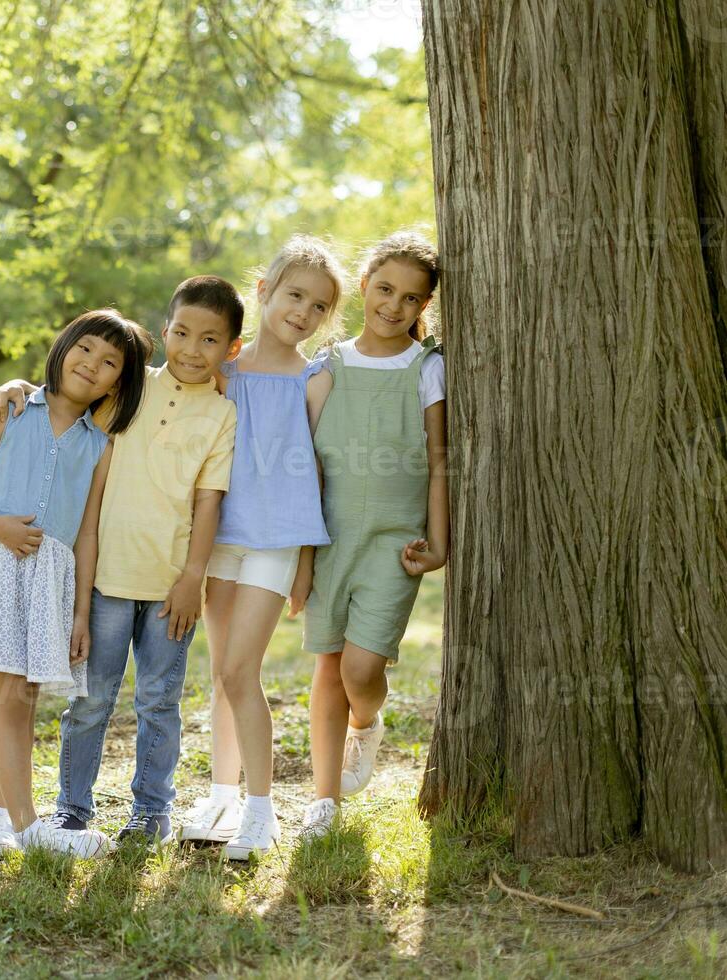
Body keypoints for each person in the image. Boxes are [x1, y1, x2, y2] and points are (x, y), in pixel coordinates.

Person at [0, 277, 240, 852]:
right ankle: (71, 810)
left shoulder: (222, 414)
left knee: (159, 700)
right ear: (166, 330)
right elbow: (61, 401)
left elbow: (208, 499)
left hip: (171, 581)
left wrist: (193, 576)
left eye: (210, 340)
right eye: (180, 334)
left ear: (230, 349)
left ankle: (151, 812)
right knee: (90, 698)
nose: (192, 350)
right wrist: (15, 384)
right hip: (103, 577)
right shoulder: (129, 388)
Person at [0, 309, 150, 858]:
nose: (92, 366)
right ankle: (31, 827)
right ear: (63, 346)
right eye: (85, 350)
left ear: (118, 383)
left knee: (23, 700)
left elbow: (88, 537)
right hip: (1, 564)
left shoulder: (99, 447)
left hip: (52, 580)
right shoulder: (7, 410)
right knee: (8, 697)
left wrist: (80, 613)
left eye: (109, 364)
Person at [175, 237, 344, 862]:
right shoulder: (225, 370)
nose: (303, 311)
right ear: (265, 291)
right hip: (220, 539)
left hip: (276, 544)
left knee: (242, 672)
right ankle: (221, 793)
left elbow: (317, 473)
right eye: (294, 295)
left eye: (319, 306)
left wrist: (305, 561)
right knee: (221, 673)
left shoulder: (315, 377)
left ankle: (262, 810)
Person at [296, 231, 448, 842]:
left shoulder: (427, 367)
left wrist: (439, 543)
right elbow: (306, 466)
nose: (394, 306)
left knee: (360, 668)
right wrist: (303, 560)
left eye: (411, 299)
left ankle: (368, 721)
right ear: (363, 286)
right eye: (384, 289)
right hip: (331, 538)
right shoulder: (326, 367)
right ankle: (323, 801)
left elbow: (439, 459)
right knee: (327, 665)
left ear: (424, 308)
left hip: (395, 543)